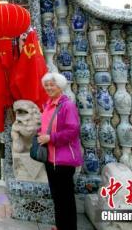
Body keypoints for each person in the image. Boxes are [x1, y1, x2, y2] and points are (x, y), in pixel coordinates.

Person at [37, 72, 83, 230]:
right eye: (47, 85)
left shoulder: (67, 105)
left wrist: (50, 138)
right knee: (57, 196)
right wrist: (40, 133)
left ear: (60, 86)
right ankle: (60, 225)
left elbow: (73, 131)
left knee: (66, 198)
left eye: (52, 84)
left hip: (63, 159)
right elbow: (46, 125)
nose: (49, 87)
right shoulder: (48, 104)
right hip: (51, 158)